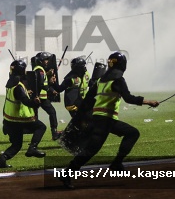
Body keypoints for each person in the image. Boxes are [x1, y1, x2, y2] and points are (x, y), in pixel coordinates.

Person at [59, 52, 160, 189]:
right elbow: (129, 98)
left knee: (131, 133)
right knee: (91, 150)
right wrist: (148, 102)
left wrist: (80, 118)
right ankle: (68, 173)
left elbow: (87, 101)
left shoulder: (101, 81)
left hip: (100, 119)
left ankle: (116, 164)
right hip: (105, 121)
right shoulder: (118, 80)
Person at [0, 60, 47, 168]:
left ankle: (1, 160)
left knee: (16, 145)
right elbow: (25, 101)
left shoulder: (10, 82)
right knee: (41, 127)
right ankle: (32, 148)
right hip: (20, 118)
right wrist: (35, 103)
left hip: (9, 119)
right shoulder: (18, 86)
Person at [33, 51, 61, 140]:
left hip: (41, 97)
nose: (47, 61)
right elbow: (42, 84)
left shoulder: (40, 70)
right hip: (40, 98)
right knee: (51, 113)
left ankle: (54, 133)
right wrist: (51, 90)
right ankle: (54, 133)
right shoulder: (40, 70)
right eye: (45, 60)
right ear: (40, 60)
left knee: (35, 116)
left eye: (47, 60)